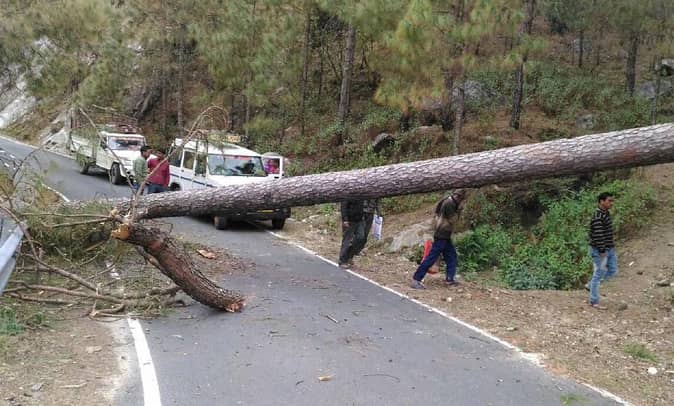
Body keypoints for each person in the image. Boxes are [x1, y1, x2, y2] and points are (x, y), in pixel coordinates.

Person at [411, 189, 467, 289]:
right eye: (461, 199)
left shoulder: (447, 201)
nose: (461, 202)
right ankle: (416, 279)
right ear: (458, 197)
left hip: (445, 235)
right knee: (431, 258)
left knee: (452, 256)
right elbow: (453, 220)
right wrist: (459, 210)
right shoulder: (449, 204)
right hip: (442, 234)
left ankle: (450, 279)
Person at [587, 192, 617, 309]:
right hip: (600, 250)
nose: (611, 203)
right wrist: (602, 250)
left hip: (609, 248)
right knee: (598, 274)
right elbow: (598, 235)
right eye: (609, 201)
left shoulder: (606, 213)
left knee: (613, 271)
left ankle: (591, 285)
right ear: (601, 201)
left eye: (612, 201)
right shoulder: (598, 216)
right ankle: (593, 301)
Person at [338, 199, 365, 269]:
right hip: (350, 220)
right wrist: (345, 219)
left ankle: (349, 256)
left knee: (361, 237)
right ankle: (342, 260)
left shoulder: (361, 194)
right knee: (347, 240)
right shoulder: (348, 193)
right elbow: (343, 206)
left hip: (359, 220)